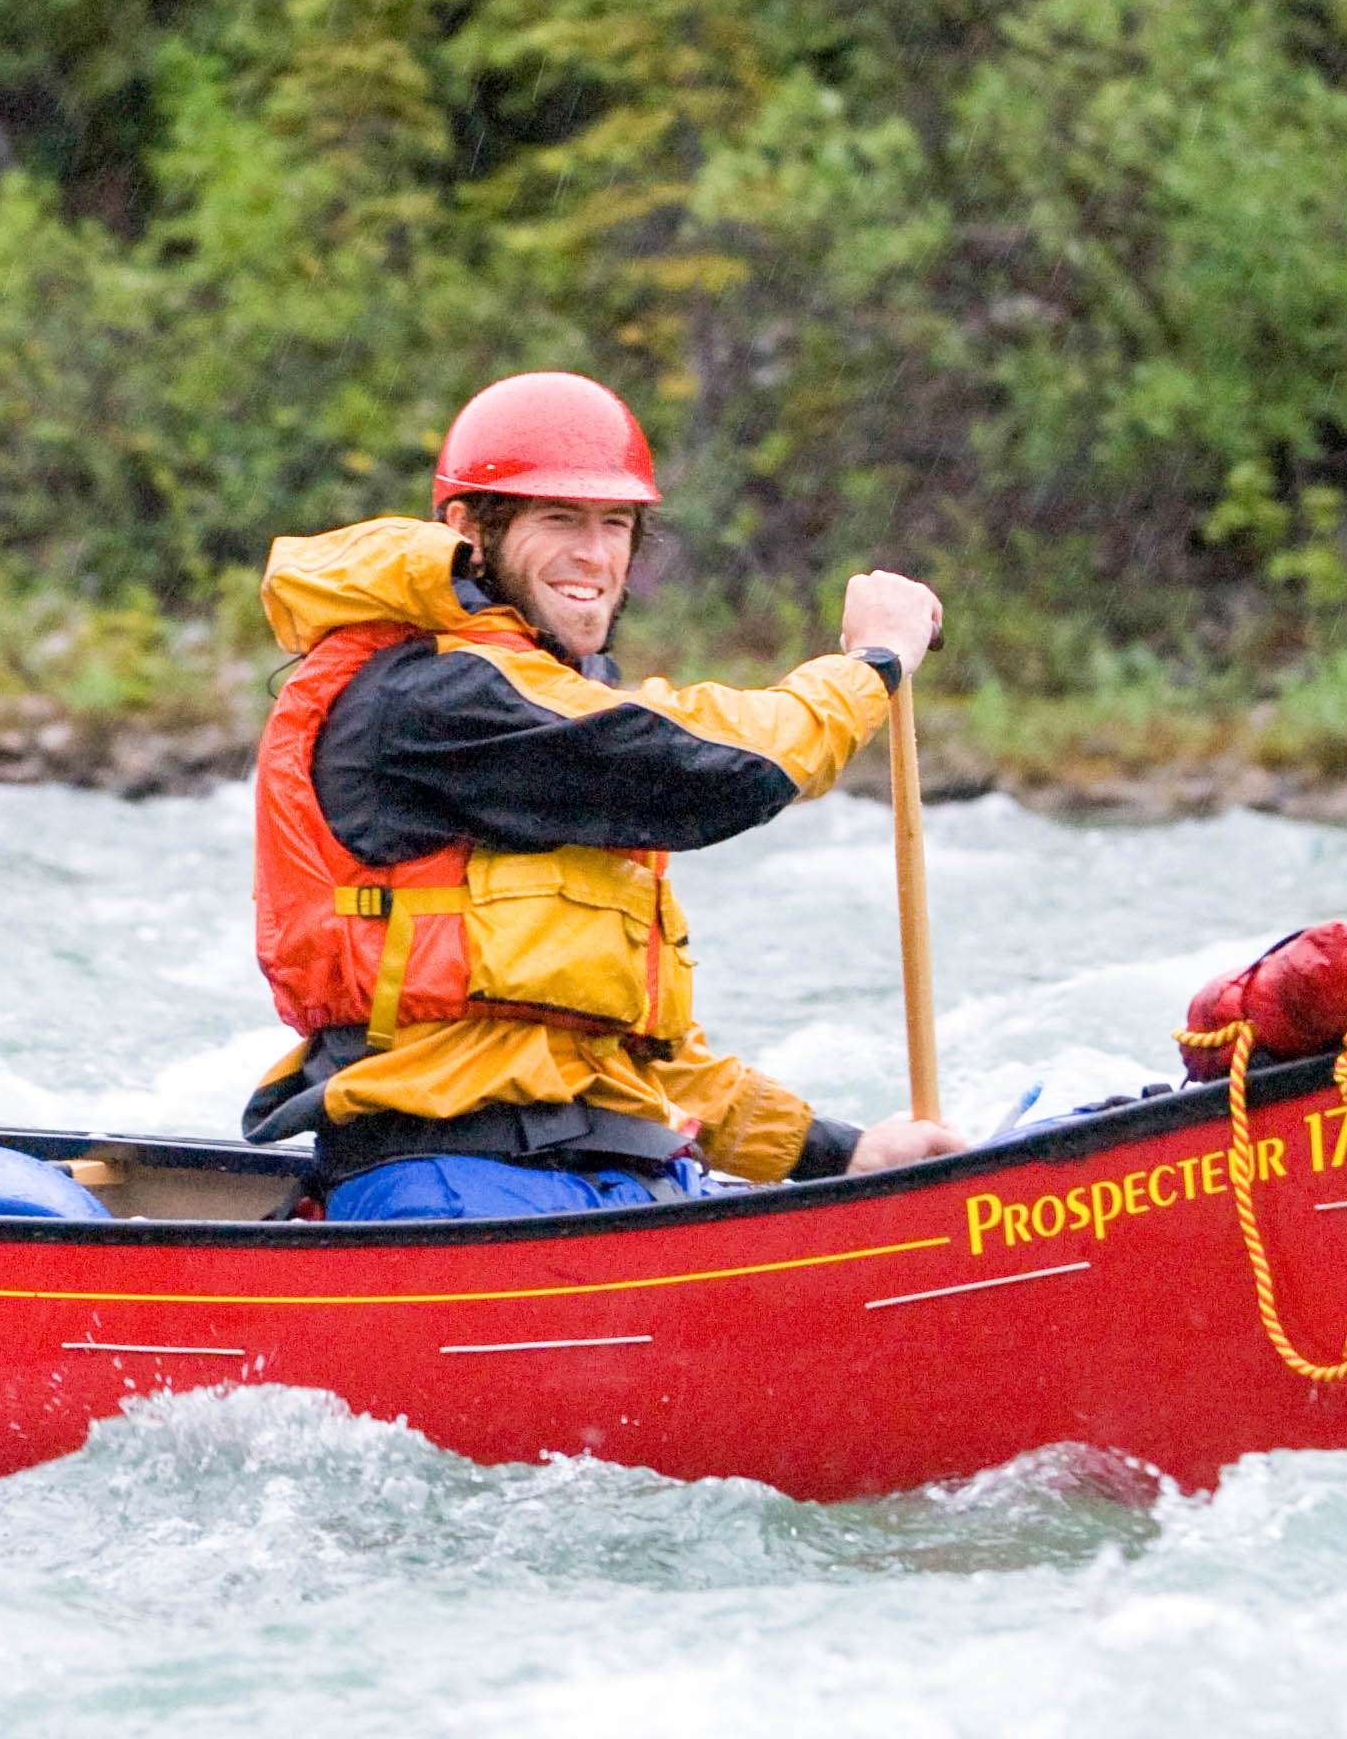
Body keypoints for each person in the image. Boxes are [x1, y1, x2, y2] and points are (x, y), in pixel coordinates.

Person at [249, 371, 973, 1214]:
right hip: (450, 1180)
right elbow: (725, 768)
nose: (594, 554)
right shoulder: (436, 700)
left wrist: (841, 1153)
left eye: (615, 524)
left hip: (605, 1176)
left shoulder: (559, 711)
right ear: (470, 531)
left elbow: (632, 1060)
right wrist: (873, 665)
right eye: (560, 519)